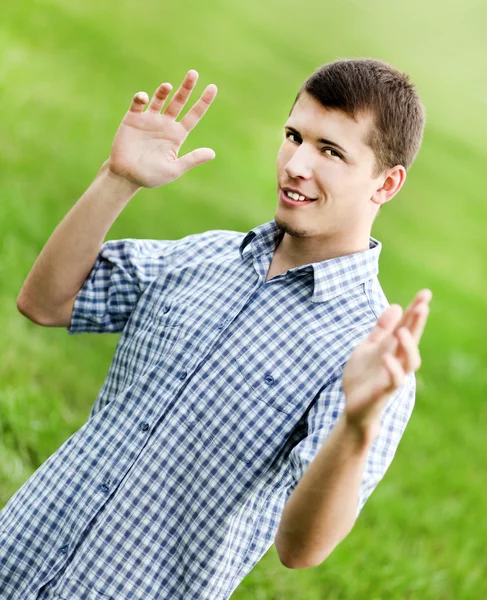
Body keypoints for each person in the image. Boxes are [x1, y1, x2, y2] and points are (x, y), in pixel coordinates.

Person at [1, 59, 431, 600]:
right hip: (17, 552)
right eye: (294, 136)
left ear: (386, 184)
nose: (296, 164)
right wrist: (118, 181)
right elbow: (45, 301)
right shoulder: (205, 254)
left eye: (330, 151)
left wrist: (358, 425)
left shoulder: (367, 352)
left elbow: (300, 549)